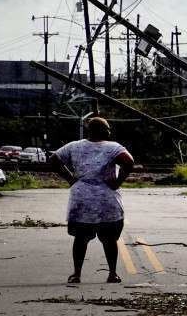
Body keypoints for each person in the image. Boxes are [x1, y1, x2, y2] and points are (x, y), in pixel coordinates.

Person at [49, 117, 135, 284]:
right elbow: (129, 161)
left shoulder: (74, 146)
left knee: (80, 238)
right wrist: (117, 182)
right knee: (110, 239)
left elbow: (53, 160)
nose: (110, 132)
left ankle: (77, 274)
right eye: (108, 129)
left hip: (82, 199)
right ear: (104, 131)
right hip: (106, 199)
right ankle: (112, 274)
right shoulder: (113, 147)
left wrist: (70, 178)